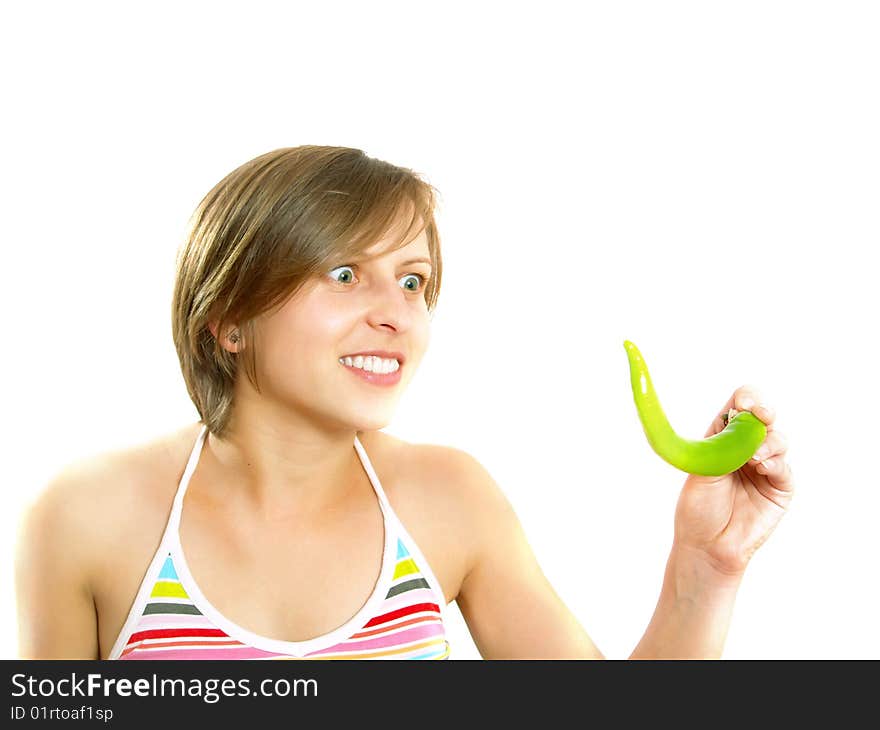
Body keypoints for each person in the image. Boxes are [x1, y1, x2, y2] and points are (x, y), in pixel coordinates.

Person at [14, 145, 795, 660]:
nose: (396, 313)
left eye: (414, 280)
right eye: (346, 273)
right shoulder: (88, 515)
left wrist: (707, 563)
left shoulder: (448, 499)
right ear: (228, 319)